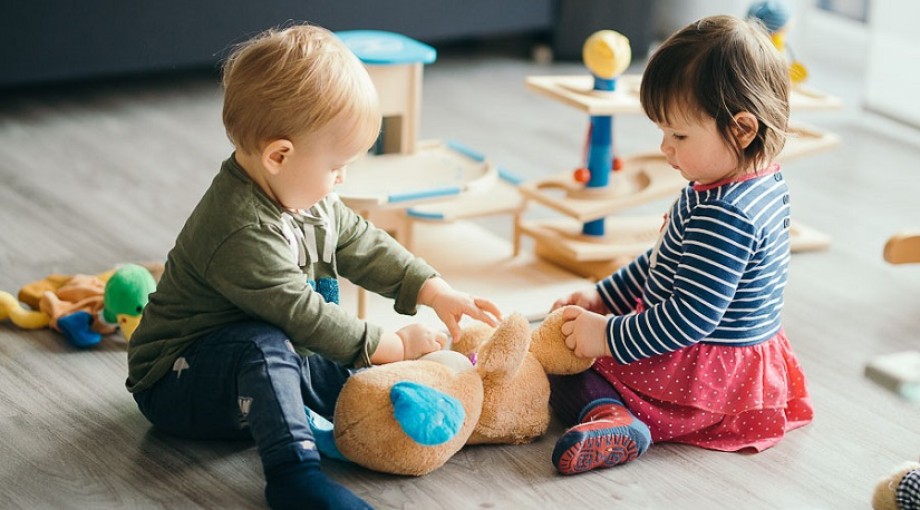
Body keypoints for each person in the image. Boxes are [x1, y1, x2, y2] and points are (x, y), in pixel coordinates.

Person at [125, 24, 501, 509]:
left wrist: (431, 289)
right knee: (273, 345)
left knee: (323, 352)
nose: (342, 177)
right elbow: (304, 316)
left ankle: (394, 420)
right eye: (336, 165)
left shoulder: (308, 197)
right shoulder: (240, 230)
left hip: (265, 350)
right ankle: (294, 474)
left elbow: (361, 241)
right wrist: (389, 344)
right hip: (177, 383)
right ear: (279, 155)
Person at [546, 14, 814, 475]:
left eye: (679, 135)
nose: (666, 148)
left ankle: (614, 416)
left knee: (565, 370)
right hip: (736, 367)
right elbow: (664, 259)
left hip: (701, 375)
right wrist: (605, 295)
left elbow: (689, 318)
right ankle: (618, 409)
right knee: (576, 345)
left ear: (743, 129)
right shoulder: (747, 181)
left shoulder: (725, 212)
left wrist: (606, 335)